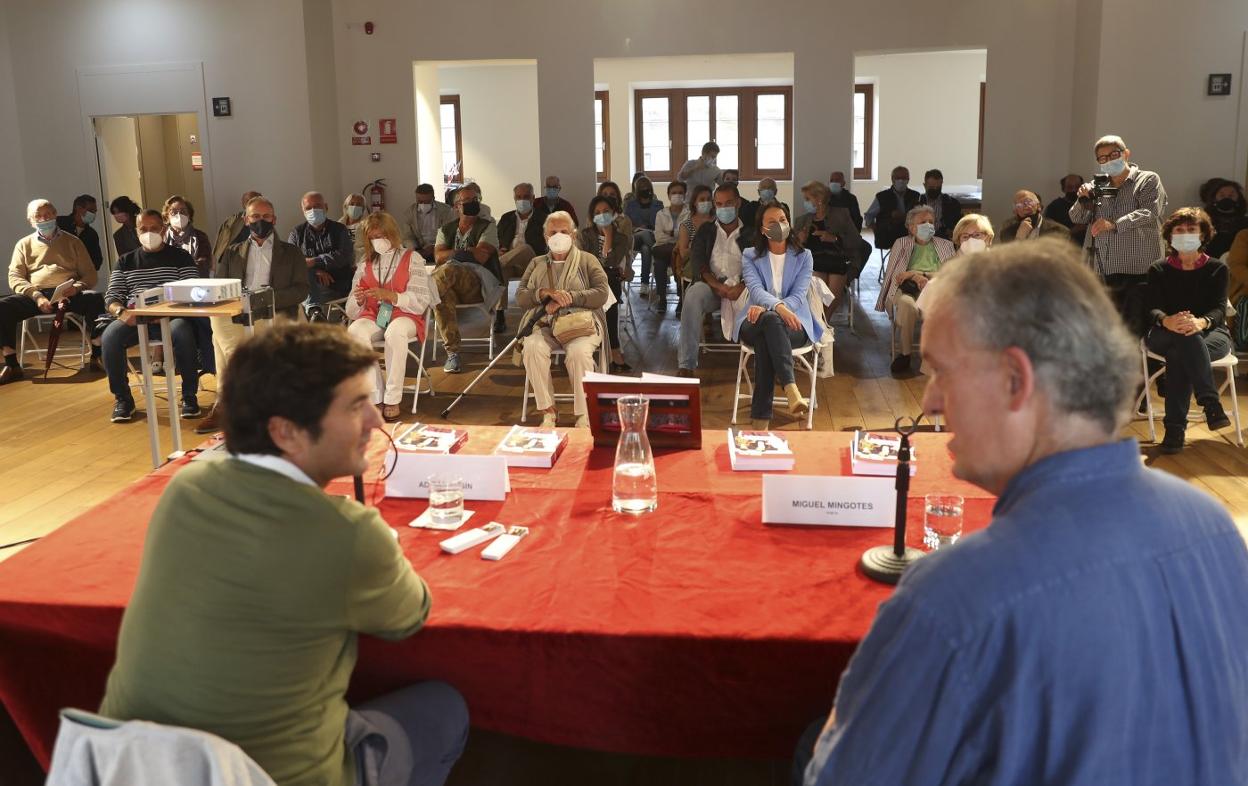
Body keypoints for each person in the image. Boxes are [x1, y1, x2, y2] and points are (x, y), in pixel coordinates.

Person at [799, 238, 1248, 786]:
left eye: (941, 371)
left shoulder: (955, 595)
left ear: (1016, 380)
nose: (931, 401)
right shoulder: (1211, 524)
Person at [100, 322, 469, 786]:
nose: (376, 421)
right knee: (444, 707)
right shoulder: (348, 533)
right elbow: (409, 616)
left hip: (136, 767)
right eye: (357, 405)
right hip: (275, 776)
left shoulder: (186, 487)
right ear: (287, 431)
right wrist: (378, 544)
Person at [198, 196, 308, 434]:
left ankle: (228, 402)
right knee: (216, 319)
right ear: (246, 221)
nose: (261, 221)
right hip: (240, 313)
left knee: (220, 345)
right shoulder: (231, 252)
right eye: (255, 216)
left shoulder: (291, 253)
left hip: (275, 312)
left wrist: (266, 300)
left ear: (274, 219)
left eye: (266, 216)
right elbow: (222, 287)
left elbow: (301, 290)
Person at [1144, 208, 1233, 453]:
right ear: (1170, 235)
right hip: (1164, 332)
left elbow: (1218, 309)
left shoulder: (1217, 269)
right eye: (1179, 230)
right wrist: (1167, 320)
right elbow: (1151, 309)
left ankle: (1174, 431)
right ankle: (1210, 402)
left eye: (1191, 229)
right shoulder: (1158, 269)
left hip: (1210, 333)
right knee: (1184, 340)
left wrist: (1201, 322)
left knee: (1180, 352)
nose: (1185, 234)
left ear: (1203, 235)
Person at [100, 210, 202, 422]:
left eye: (154, 229)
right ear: (136, 231)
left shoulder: (181, 257)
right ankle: (123, 400)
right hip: (135, 318)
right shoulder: (125, 261)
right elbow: (112, 296)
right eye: (143, 229)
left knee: (183, 333)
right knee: (110, 338)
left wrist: (166, 311)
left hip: (173, 316)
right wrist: (121, 311)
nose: (148, 233)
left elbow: (192, 291)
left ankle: (189, 396)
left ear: (163, 230)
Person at [517, 211, 610, 428]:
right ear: (545, 237)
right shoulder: (537, 263)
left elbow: (601, 293)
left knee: (578, 352)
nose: (558, 236)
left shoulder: (588, 260)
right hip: (546, 324)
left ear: (574, 235)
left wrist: (570, 298)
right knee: (531, 346)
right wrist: (542, 293)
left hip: (581, 324)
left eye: (564, 232)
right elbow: (521, 296)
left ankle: (584, 414)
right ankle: (548, 411)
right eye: (553, 232)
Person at [1069, 134, 1167, 336]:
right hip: (1103, 268)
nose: (1108, 161)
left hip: (1138, 268)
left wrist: (1113, 224)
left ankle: (1140, 367)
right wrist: (1083, 198)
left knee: (1136, 330)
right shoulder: (1098, 185)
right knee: (1106, 329)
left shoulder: (1147, 179)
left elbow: (1149, 212)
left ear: (1126, 153)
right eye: (1102, 158)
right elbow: (1076, 217)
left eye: (1113, 155)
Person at [735, 203, 820, 429]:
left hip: (794, 324)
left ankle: (761, 418)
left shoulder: (804, 256)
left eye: (783, 219)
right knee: (770, 323)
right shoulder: (750, 255)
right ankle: (790, 387)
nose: (779, 225)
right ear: (762, 229)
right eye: (772, 222)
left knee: (768, 335)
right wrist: (778, 309)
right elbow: (755, 289)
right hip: (753, 320)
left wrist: (774, 309)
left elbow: (800, 294)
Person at [1, 199, 103, 383]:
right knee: (3, 307)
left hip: (69, 293)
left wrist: (77, 288)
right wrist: (36, 296)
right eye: (38, 216)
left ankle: (97, 354)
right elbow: (14, 276)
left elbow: (90, 274)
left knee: (95, 299)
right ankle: (11, 362)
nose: (44, 218)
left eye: (47, 214)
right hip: (36, 295)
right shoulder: (23, 245)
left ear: (55, 214)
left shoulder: (73, 242)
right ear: (30, 221)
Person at [345, 212, 434, 422]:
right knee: (354, 331)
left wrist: (392, 296)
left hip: (406, 315)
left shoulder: (411, 258)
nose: (378, 240)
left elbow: (421, 300)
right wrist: (358, 299)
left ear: (392, 233)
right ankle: (375, 394)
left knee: (395, 332)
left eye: (382, 235)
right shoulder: (365, 262)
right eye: (373, 237)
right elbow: (351, 309)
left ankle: (393, 397)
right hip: (375, 314)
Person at [678, 184, 752, 376]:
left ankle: (766, 360)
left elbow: (759, 266)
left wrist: (741, 285)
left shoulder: (751, 233)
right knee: (693, 294)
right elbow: (698, 263)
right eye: (718, 204)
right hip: (712, 286)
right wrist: (717, 285)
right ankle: (686, 365)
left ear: (738, 203)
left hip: (744, 288)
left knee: (763, 296)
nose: (723, 208)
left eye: (728, 203)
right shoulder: (706, 231)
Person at [876, 205, 956, 376]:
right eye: (923, 222)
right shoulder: (901, 243)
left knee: (936, 310)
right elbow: (894, 273)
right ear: (911, 227)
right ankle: (905, 354)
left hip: (935, 289)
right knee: (907, 306)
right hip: (906, 289)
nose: (928, 225)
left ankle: (932, 355)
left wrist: (919, 273)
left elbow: (948, 273)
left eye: (931, 222)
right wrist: (914, 278)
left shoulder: (946, 245)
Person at [431, 186, 504, 374]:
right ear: (456, 206)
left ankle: (423, 299)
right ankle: (452, 353)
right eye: (468, 201)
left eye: (476, 199)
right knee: (442, 297)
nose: (474, 203)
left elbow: (481, 257)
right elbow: (438, 257)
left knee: (448, 270)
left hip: (477, 282)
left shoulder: (488, 225)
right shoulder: (445, 229)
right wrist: (467, 251)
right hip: (449, 286)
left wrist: (453, 254)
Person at [578, 195, 634, 372]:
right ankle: (614, 351)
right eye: (597, 213)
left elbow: (611, 261)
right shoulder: (585, 235)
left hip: (607, 281)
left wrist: (609, 235)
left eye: (606, 212)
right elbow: (586, 262)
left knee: (610, 283)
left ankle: (611, 350)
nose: (602, 215)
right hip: (587, 280)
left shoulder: (622, 238)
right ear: (592, 217)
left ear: (614, 213)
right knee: (609, 285)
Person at [162, 195, 216, 374]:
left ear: (190, 215)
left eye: (183, 211)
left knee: (204, 321)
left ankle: (209, 364)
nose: (179, 215)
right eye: (174, 212)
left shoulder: (200, 236)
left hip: (196, 289)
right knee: (180, 325)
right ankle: (184, 363)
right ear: (166, 216)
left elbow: (203, 264)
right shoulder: (161, 237)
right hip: (168, 293)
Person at [794, 180, 861, 317]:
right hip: (814, 262)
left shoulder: (841, 215)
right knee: (819, 299)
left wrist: (835, 238)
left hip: (838, 261)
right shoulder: (802, 220)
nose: (805, 203)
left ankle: (823, 327)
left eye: (808, 199)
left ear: (819, 200)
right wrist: (800, 240)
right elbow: (793, 249)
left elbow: (856, 241)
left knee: (831, 299)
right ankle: (822, 329)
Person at [289, 191, 355, 323]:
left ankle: (314, 312)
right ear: (303, 211)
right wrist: (315, 271)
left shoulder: (339, 229)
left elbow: (343, 256)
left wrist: (313, 262)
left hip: (338, 284)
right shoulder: (297, 233)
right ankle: (316, 312)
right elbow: (293, 261)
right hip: (310, 286)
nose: (313, 210)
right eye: (308, 208)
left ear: (326, 207)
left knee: (305, 274)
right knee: (301, 274)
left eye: (317, 206)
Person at [674, 184, 716, 317]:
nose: (706, 202)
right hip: (693, 263)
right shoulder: (687, 225)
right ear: (694, 203)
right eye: (702, 199)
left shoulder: (718, 221)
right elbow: (683, 253)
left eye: (709, 199)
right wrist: (698, 245)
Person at [864, 166, 921, 252]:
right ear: (892, 179)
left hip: (909, 232)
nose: (901, 181)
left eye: (904, 178)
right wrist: (876, 229)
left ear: (908, 179)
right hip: (888, 234)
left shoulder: (915, 196)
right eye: (898, 178)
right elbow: (869, 216)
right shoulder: (882, 196)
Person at [624, 176, 663, 296]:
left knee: (646, 249)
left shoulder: (658, 204)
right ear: (637, 190)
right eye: (641, 187)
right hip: (635, 237)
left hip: (652, 236)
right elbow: (626, 224)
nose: (644, 189)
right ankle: (659, 254)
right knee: (645, 234)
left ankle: (644, 284)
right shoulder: (630, 205)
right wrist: (637, 228)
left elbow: (661, 223)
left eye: (647, 187)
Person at [652, 180, 687, 309]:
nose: (677, 195)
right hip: (663, 249)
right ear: (668, 195)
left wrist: (671, 232)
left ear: (685, 195)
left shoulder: (689, 213)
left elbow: (688, 235)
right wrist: (678, 234)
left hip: (681, 250)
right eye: (674, 193)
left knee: (677, 260)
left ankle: (681, 299)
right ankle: (662, 298)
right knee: (661, 263)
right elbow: (659, 237)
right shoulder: (661, 214)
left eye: (680, 193)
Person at [401, 183, 456, 264]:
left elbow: (450, 232)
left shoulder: (446, 211)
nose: (423, 204)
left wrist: (436, 247)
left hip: (441, 248)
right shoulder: (409, 213)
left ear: (433, 198)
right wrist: (416, 250)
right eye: (420, 201)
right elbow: (407, 237)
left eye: (427, 202)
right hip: (420, 250)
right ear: (416, 198)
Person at [998, 189, 1071, 244]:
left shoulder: (1059, 231)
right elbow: (1008, 259)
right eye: (1019, 204)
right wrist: (1019, 238)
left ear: (1039, 206)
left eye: (1028, 202)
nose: (1025, 206)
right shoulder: (1007, 232)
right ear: (1015, 211)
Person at [213, 190, 261, 272]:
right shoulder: (232, 221)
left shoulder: (264, 220)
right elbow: (220, 244)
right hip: (234, 262)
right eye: (249, 202)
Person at [55, 194, 103, 270]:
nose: (93, 214)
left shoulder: (92, 234)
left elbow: (97, 261)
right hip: (58, 274)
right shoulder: (59, 224)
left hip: (81, 278)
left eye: (95, 211)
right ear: (79, 208)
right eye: (90, 210)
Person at [1205, 180, 1248, 259]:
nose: (1227, 198)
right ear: (1214, 199)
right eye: (1222, 195)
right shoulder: (1203, 221)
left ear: (1238, 199)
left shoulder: (1245, 223)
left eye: (1231, 195)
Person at [917, 169, 962, 241]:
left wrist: (952, 230)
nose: (935, 190)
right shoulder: (917, 203)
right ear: (925, 185)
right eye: (931, 188)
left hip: (945, 239)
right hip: (922, 240)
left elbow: (959, 224)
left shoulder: (952, 204)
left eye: (938, 188)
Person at [1044, 174, 1087, 244]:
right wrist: (1073, 230)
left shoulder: (1090, 204)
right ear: (1063, 189)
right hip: (1063, 248)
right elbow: (1047, 233)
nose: (1074, 190)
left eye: (1077, 187)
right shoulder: (1054, 207)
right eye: (1070, 187)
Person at [340, 192, 368, 261]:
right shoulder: (338, 225)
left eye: (358, 204)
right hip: (341, 263)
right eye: (352, 204)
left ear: (363, 208)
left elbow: (370, 247)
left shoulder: (368, 225)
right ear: (346, 206)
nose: (355, 207)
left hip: (361, 262)